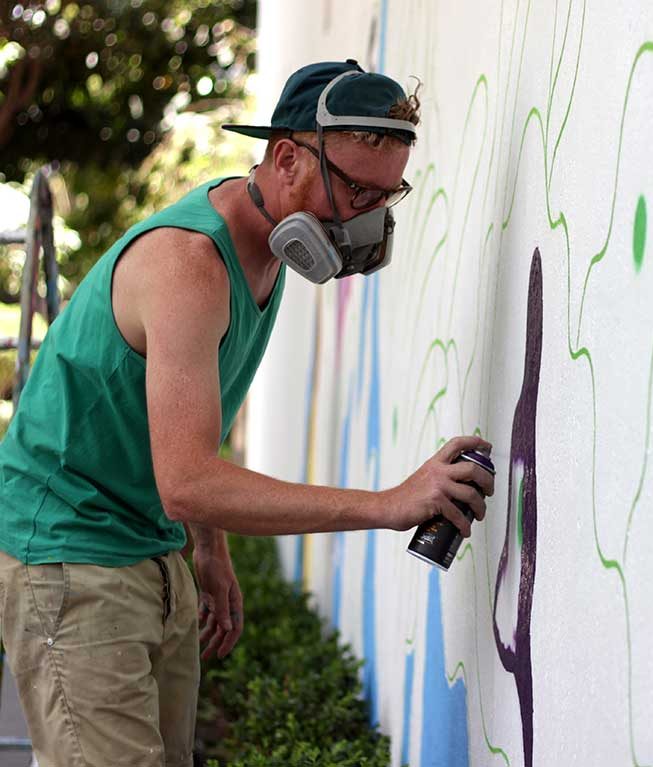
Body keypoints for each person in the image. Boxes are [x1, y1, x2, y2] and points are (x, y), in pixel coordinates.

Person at [0, 60, 494, 767]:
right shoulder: (190, 265)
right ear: (287, 157)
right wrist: (388, 502)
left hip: (148, 543)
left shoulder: (269, 250)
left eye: (388, 195)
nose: (367, 219)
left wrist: (210, 546)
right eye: (355, 188)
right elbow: (189, 480)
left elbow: (186, 424)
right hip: (70, 552)